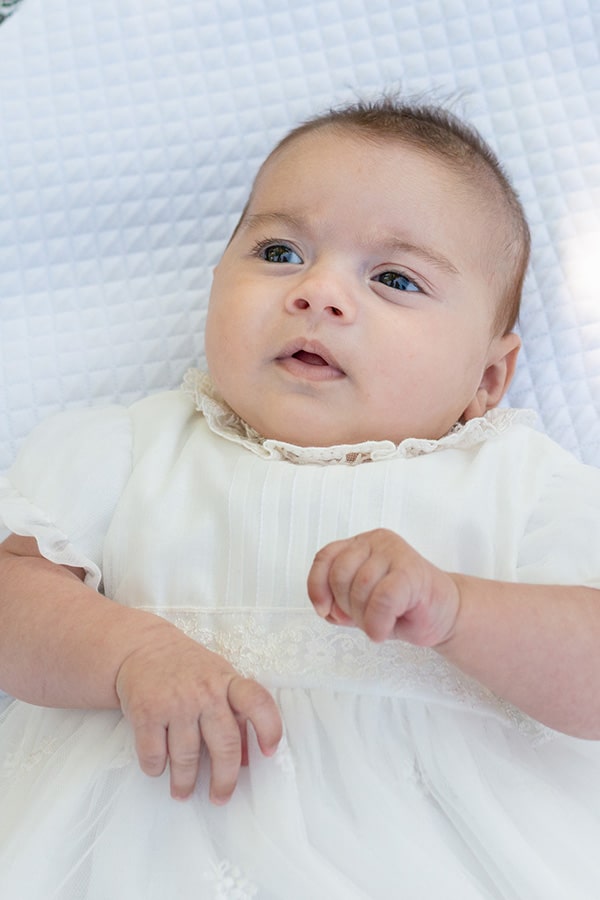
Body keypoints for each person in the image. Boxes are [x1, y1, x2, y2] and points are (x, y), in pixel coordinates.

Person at [1, 93, 599, 900]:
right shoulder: (134, 446)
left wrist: (458, 609)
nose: (319, 292)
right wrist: (128, 654)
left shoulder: (516, 483)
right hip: (135, 844)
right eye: (280, 252)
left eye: (394, 278)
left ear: (488, 378)